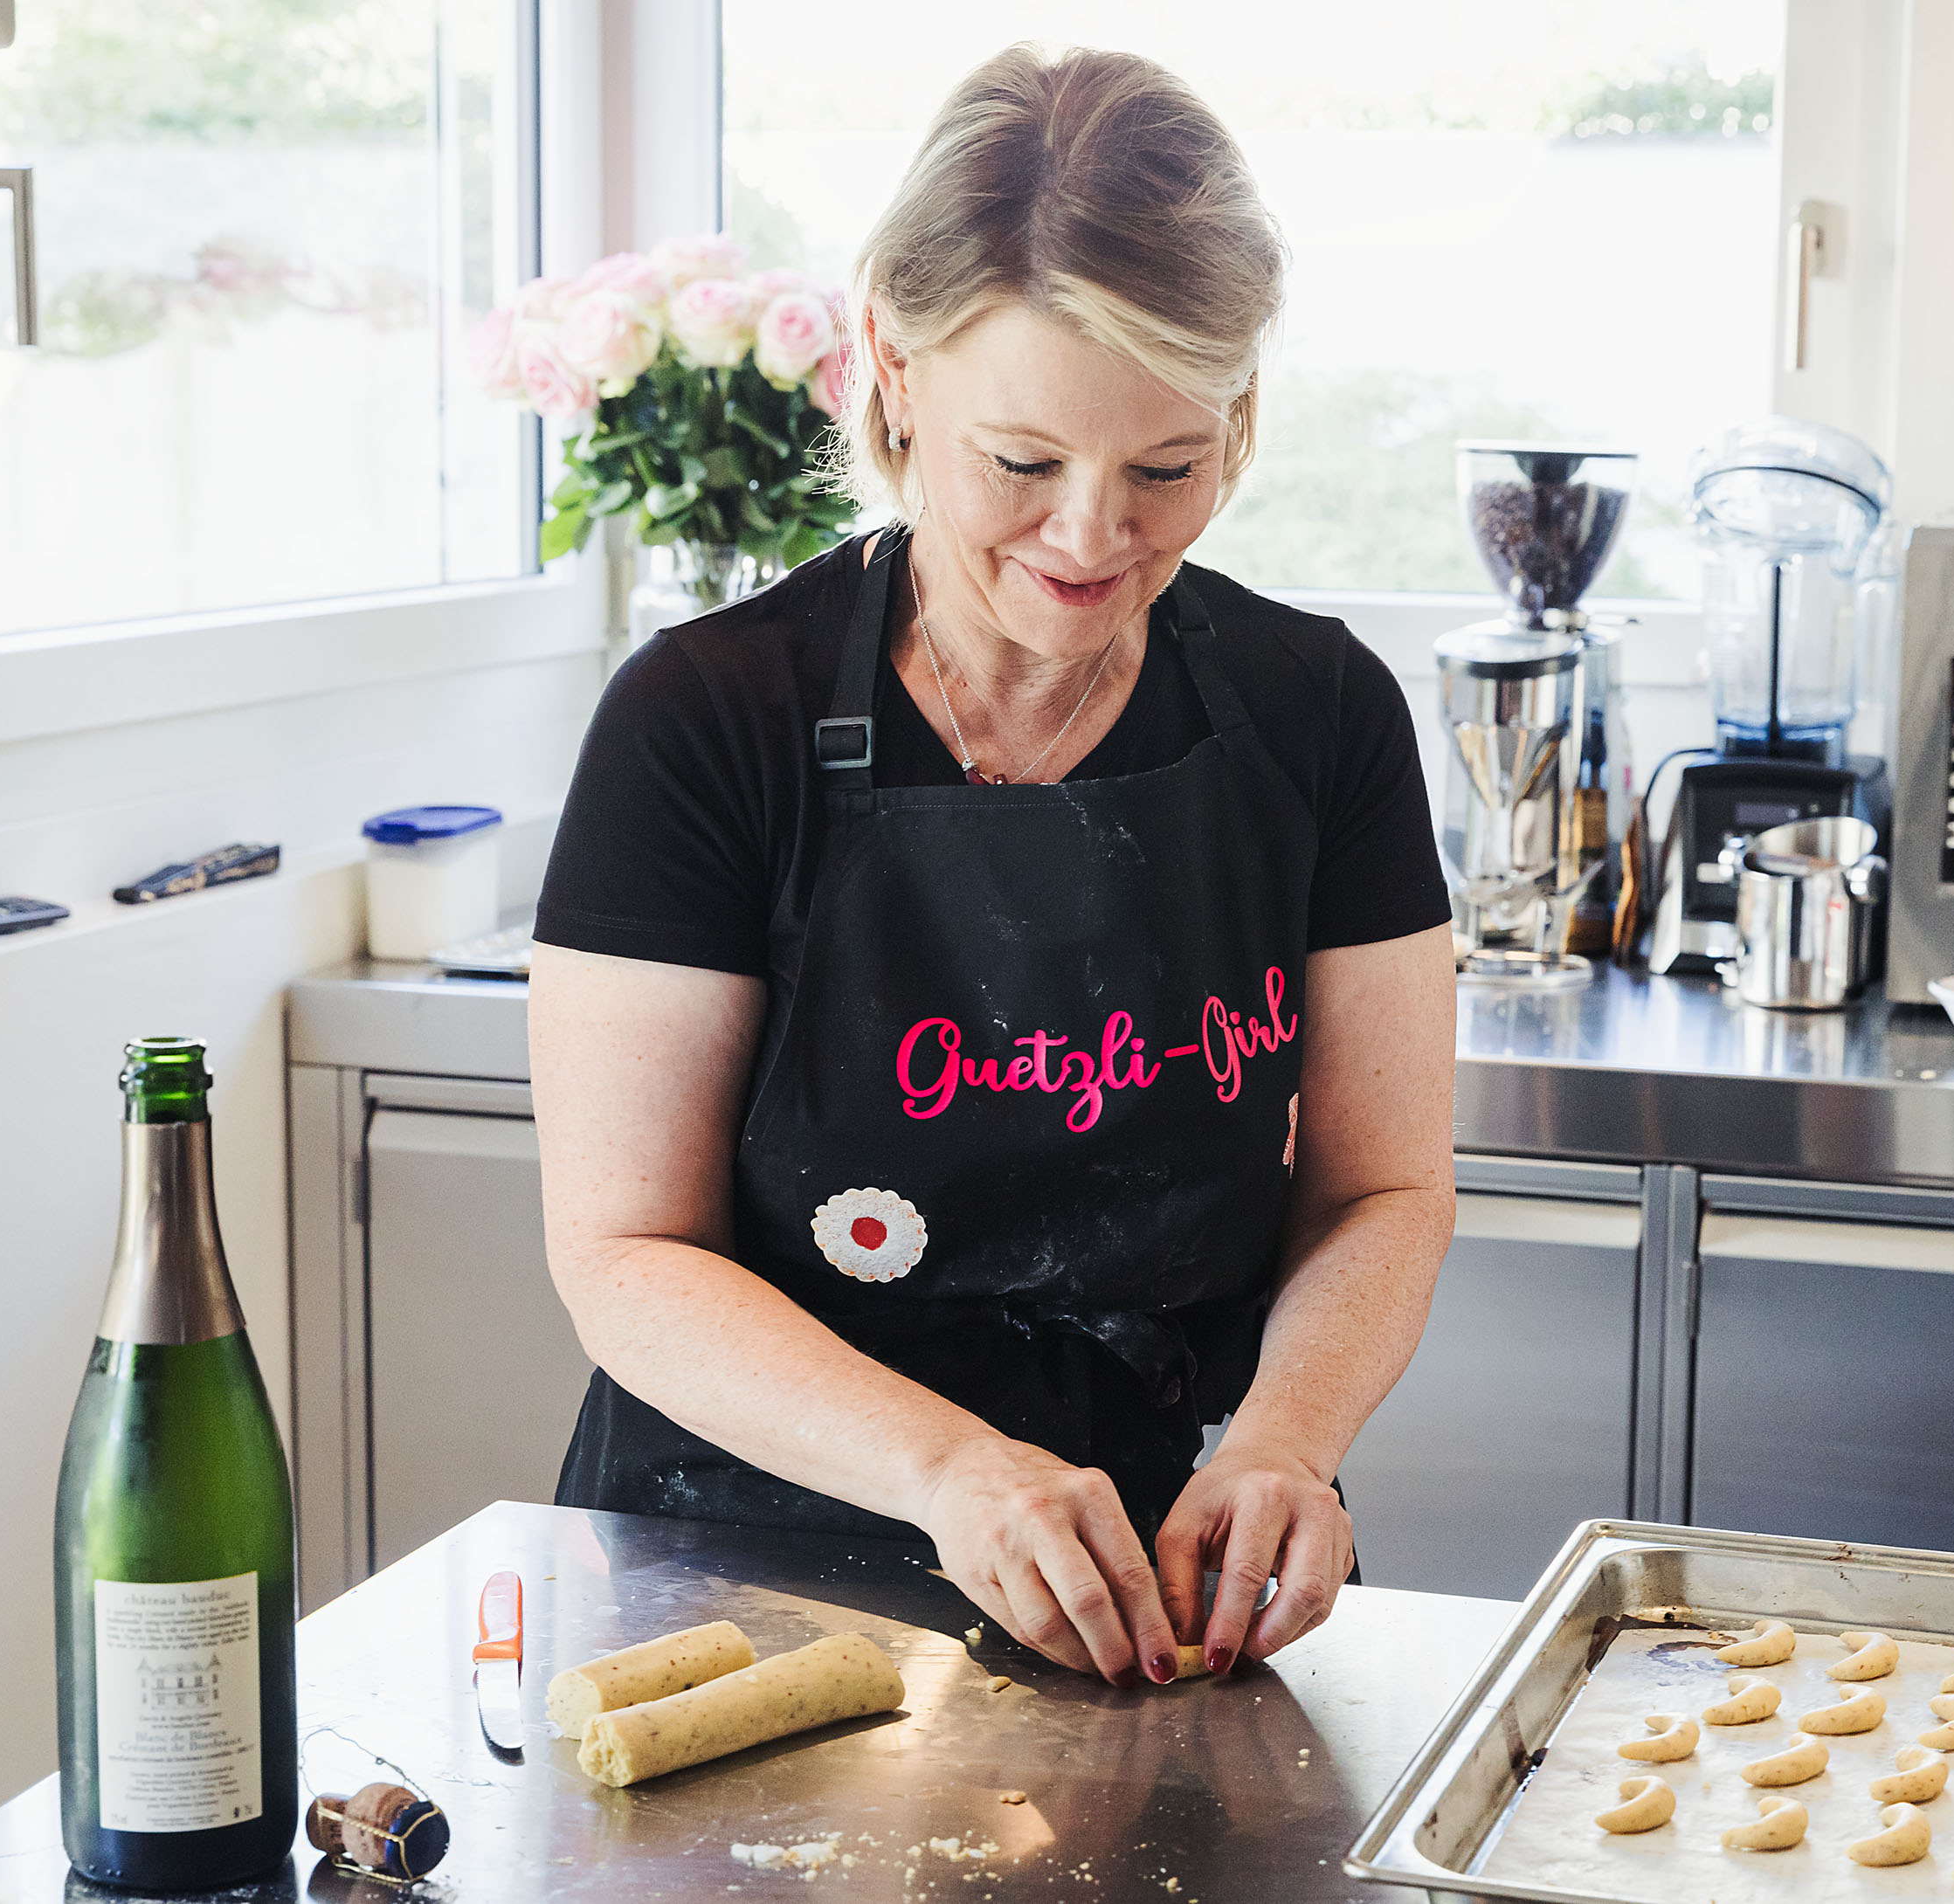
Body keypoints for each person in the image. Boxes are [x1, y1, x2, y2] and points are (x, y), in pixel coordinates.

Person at [528, 43, 1454, 1688]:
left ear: (1239, 414)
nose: (1092, 538)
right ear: (894, 365)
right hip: (747, 1581)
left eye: (1166, 468)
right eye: (1022, 463)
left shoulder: (1319, 714)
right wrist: (951, 1468)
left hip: (1175, 1576)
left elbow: (1382, 1188)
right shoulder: (706, 720)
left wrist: (1286, 1443)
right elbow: (627, 1253)